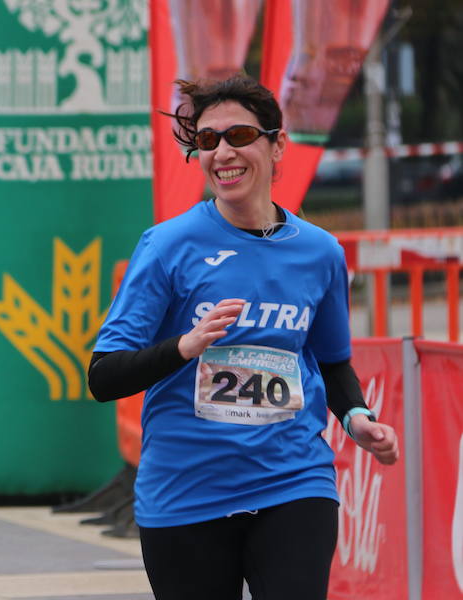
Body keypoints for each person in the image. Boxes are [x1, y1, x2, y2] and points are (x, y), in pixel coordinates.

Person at [88, 75, 399, 600]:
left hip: (294, 480)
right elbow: (103, 377)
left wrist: (357, 417)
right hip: (187, 492)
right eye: (207, 141)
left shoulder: (320, 252)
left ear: (277, 145)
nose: (222, 152)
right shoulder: (168, 246)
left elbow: (331, 361)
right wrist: (184, 347)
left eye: (239, 136)